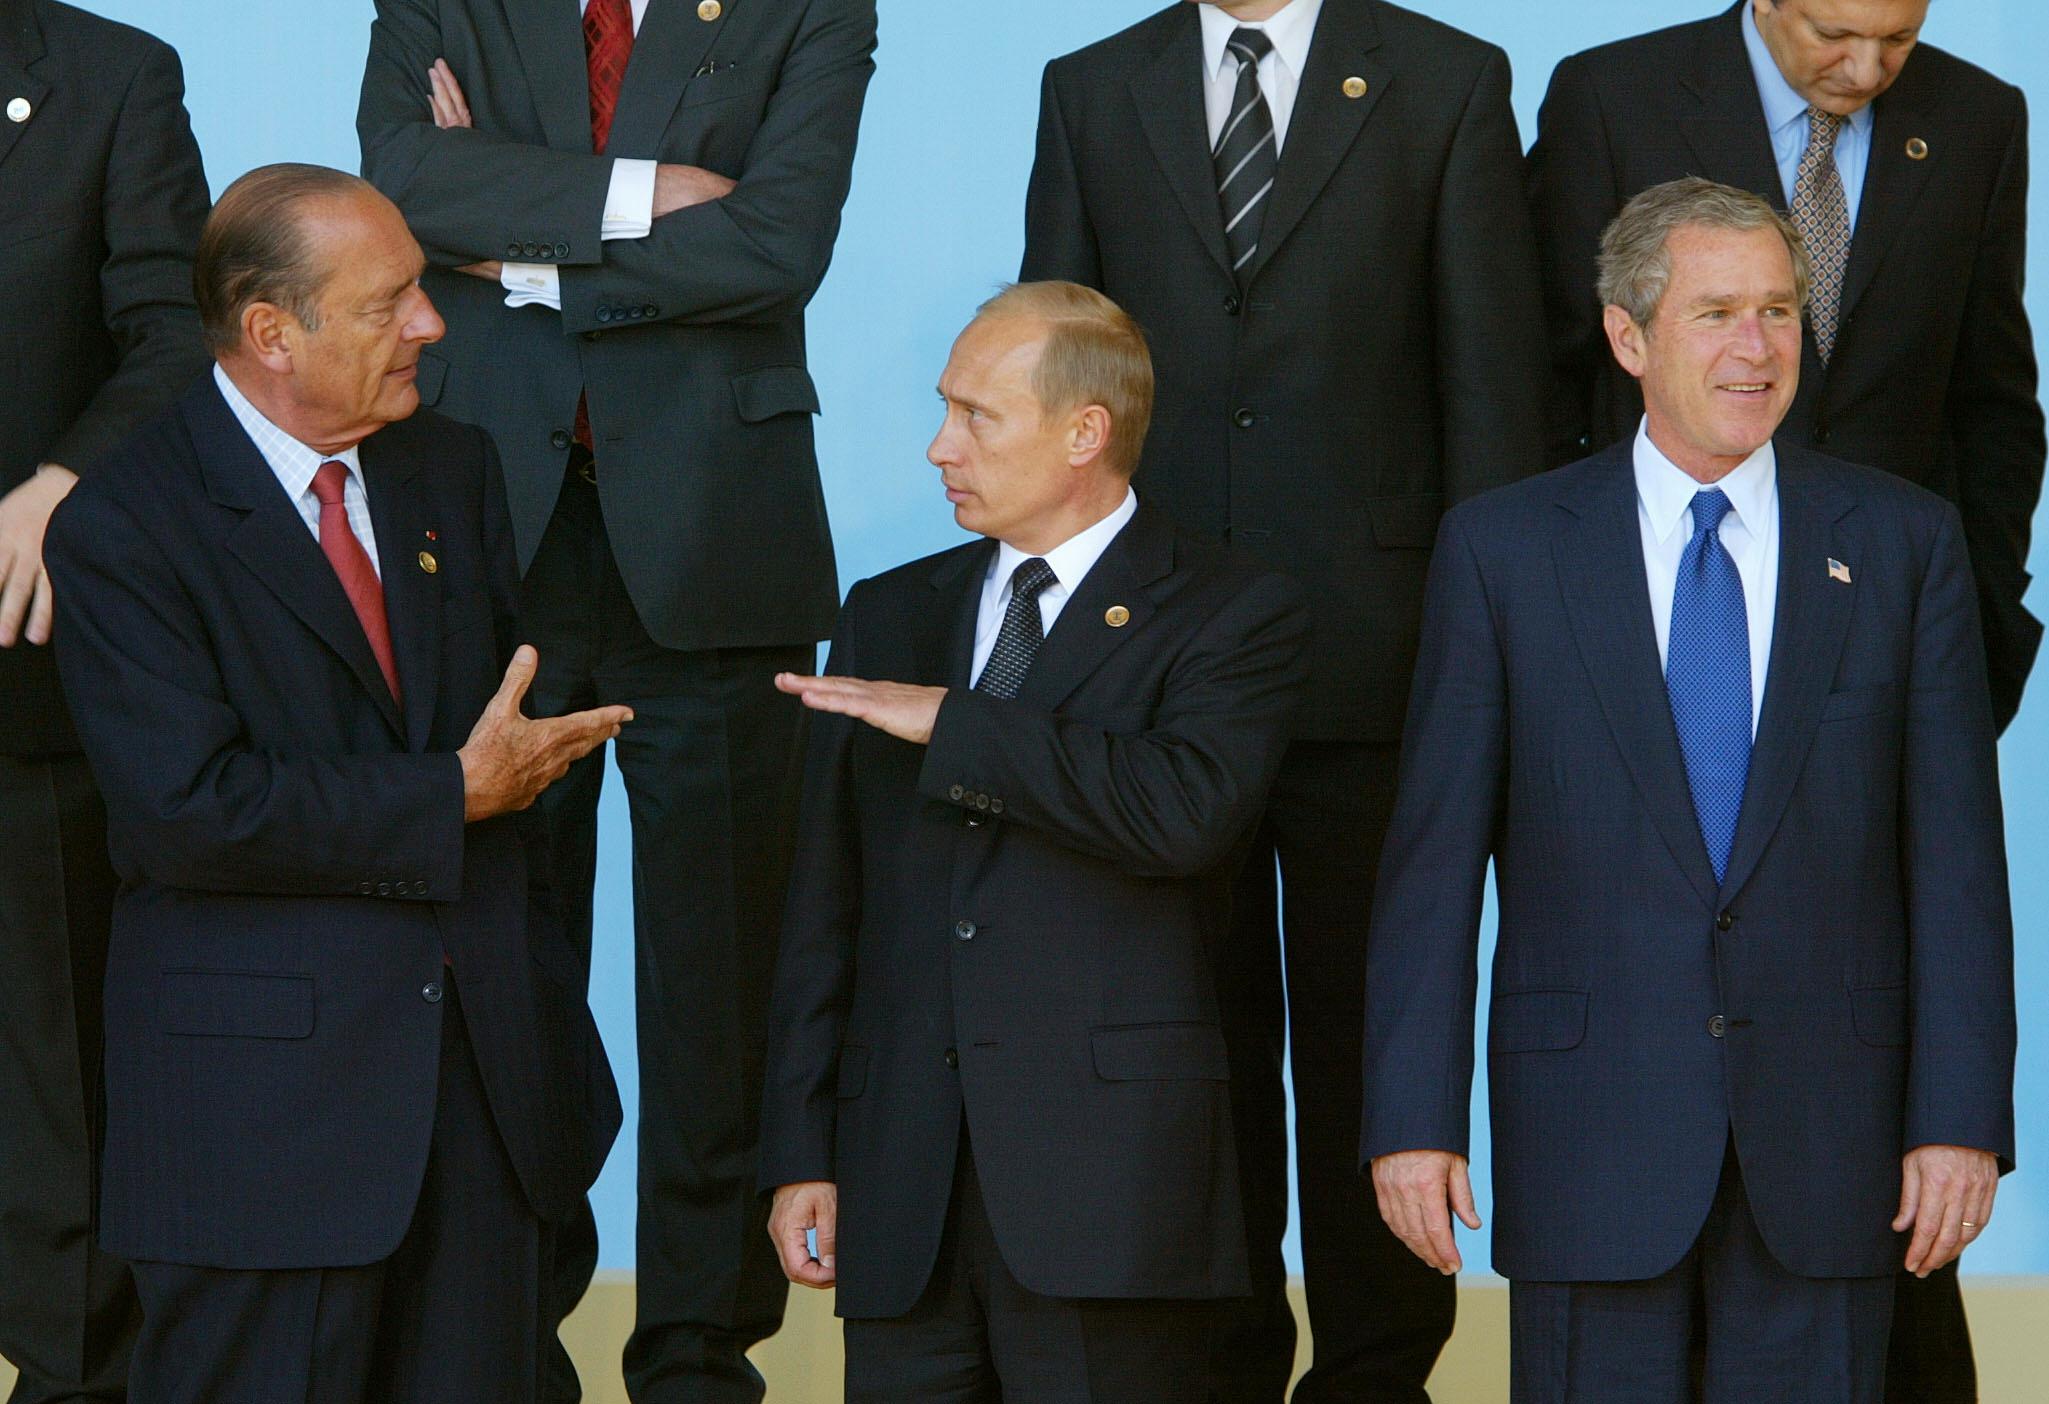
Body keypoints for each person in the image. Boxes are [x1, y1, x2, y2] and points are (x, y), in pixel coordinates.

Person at [1362, 177, 2016, 1404]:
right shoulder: (1502, 551)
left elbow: (1958, 863)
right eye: (1717, 313)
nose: (1757, 349)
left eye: (1778, 311)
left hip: (1836, 1149)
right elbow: (1434, 864)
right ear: (1628, 336)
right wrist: (1411, 1119)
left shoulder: (1902, 544)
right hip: (1587, 1139)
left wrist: (1962, 1116)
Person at [1020, 3, 1548, 1393]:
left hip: (1377, 661)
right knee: (1187, 1047)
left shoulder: (1447, 77)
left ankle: (1378, 1371)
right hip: (1150, 667)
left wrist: (1486, 657)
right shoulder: (1091, 87)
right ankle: (1215, 1362)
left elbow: (1493, 380)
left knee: (1373, 1045)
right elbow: (1051, 362)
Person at [42, 164, 630, 1404]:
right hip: (265, 1145)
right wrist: (449, 797)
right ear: (271, 334)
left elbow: (504, 742)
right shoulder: (124, 526)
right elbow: (187, 811)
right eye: (390, 303)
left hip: (486, 1119)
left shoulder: (452, 471)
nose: (430, 324)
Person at [355, 4, 876, 1393]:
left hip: (718, 538)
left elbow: (780, 241)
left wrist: (518, 254)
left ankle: (702, 1353)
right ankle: (511, 1336)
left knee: (722, 988)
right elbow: (401, 189)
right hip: (485, 529)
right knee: (505, 975)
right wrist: (648, 199)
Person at [758, 282, 1310, 1404]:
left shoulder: (1229, 609)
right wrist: (802, 1150)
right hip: (902, 1193)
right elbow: (826, 905)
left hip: (1114, 1204)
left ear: (1084, 433)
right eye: (944, 409)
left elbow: (1184, 812)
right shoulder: (889, 612)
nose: (938, 445)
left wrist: (956, 727)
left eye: (975, 417)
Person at [1530, 0, 2042, 758]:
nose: (1866, 70)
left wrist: (1984, 601)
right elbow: (1541, 372)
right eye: (1833, 35)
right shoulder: (1612, 97)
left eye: (1898, 38)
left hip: (1890, 614)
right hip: (1663, 596)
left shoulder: (1978, 116)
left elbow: (1992, 393)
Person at [0, 2, 211, 1396]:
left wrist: (60, 487)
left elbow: (172, 335)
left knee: (51, 1081)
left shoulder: (111, 75)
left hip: (29, 662)